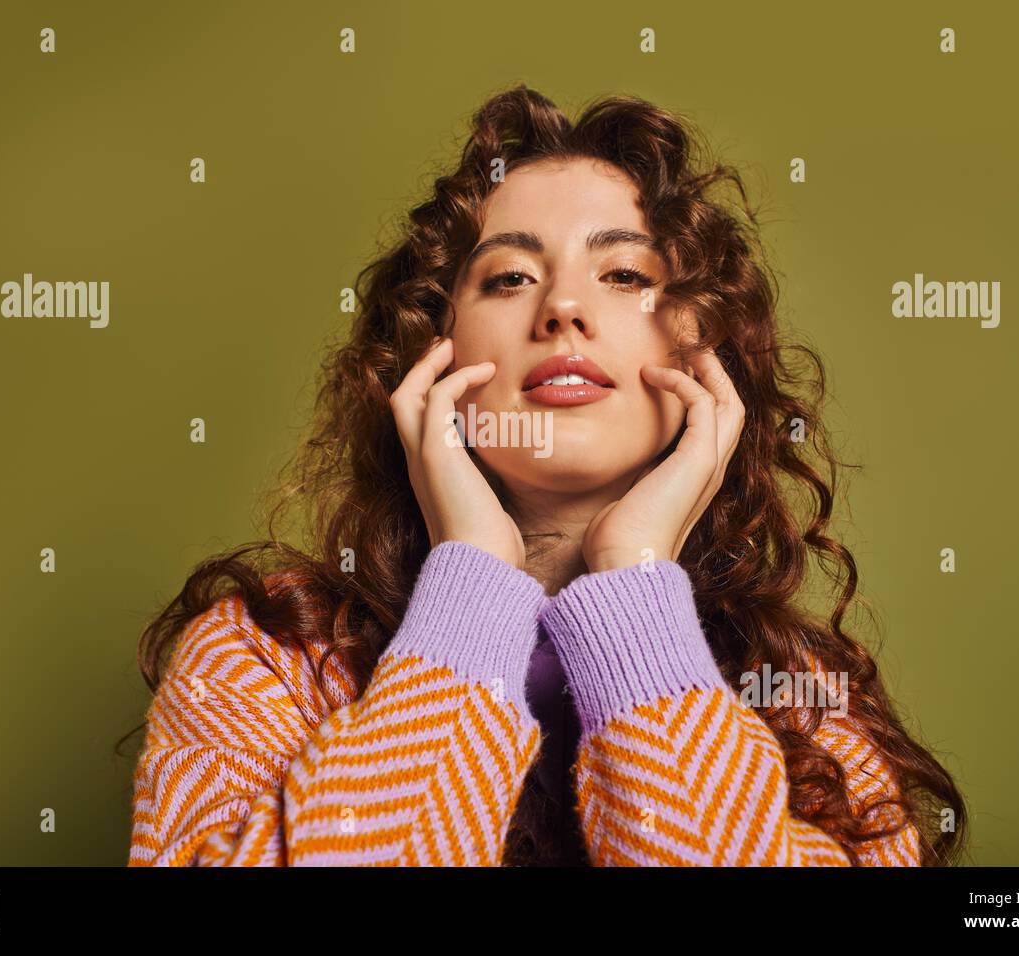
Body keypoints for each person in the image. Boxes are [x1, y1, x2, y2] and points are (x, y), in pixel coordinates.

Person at [124, 84, 967, 867]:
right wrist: (474, 579)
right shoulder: (262, 658)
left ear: (703, 355)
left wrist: (636, 579)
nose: (563, 307)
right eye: (510, 277)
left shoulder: (804, 699)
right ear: (433, 352)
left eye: (626, 275)